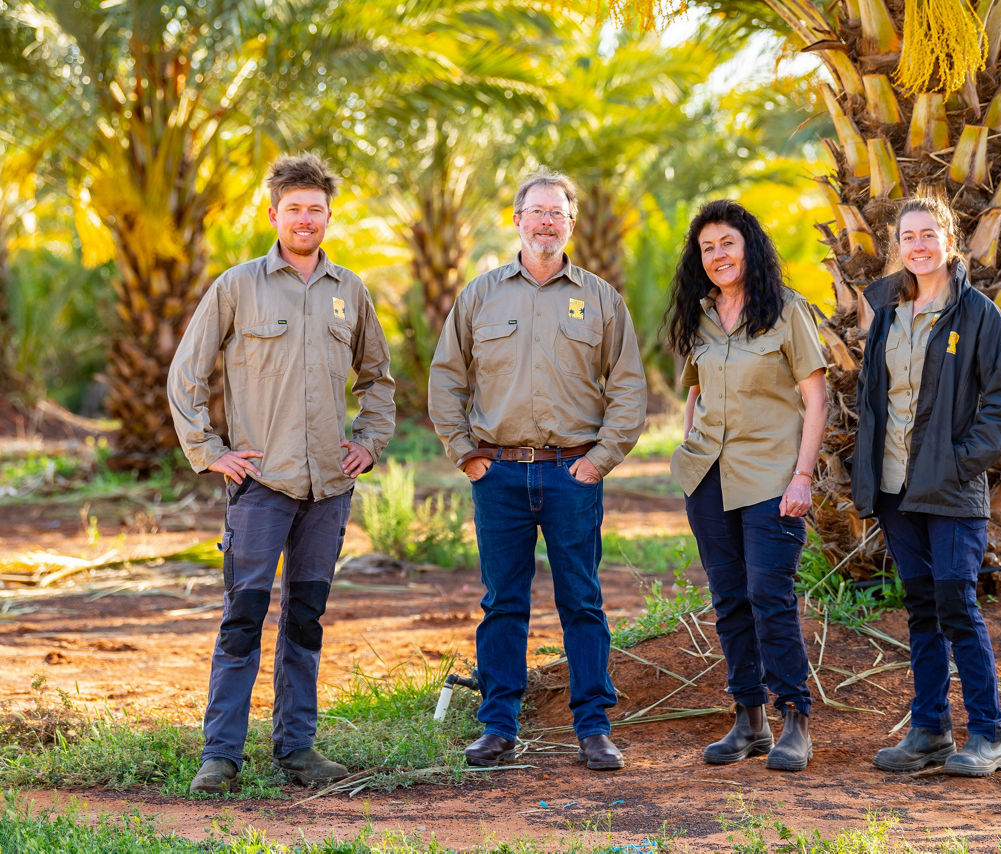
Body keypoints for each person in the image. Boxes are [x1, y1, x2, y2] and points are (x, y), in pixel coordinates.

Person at [168, 153, 395, 794]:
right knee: (242, 618)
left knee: (306, 618)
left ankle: (296, 751)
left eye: (315, 209)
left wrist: (370, 442)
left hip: (328, 487)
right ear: (273, 215)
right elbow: (186, 373)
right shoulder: (237, 286)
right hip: (261, 487)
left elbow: (378, 378)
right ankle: (221, 757)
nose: (305, 219)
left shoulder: (350, 291)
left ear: (328, 217)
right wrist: (210, 450)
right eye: (293, 208)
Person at [428, 169, 646, 771]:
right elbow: (446, 376)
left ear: (571, 225)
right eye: (537, 211)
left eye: (558, 213)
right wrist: (464, 453)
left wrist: (599, 461)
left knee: (582, 600)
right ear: (517, 219)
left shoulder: (601, 299)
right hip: (497, 476)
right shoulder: (481, 294)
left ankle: (593, 728)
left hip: (571, 475)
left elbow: (628, 388)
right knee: (503, 603)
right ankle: (498, 726)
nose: (547, 222)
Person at [847, 196, 1001, 777]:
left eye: (930, 234)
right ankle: (928, 731)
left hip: (951, 489)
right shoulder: (886, 312)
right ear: (896, 246)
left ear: (950, 241)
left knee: (957, 602)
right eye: (908, 236)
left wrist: (958, 461)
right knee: (922, 607)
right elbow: (876, 402)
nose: (919, 245)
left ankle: (989, 735)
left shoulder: (977, 314)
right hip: (896, 488)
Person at [666, 200, 828, 772]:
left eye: (727, 243)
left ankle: (795, 721)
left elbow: (815, 397)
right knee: (730, 599)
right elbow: (693, 390)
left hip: (771, 479)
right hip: (708, 477)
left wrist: (803, 476)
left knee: (769, 595)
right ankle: (748, 719)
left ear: (749, 247)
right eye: (707, 248)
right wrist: (687, 448)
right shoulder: (701, 317)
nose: (717, 256)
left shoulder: (786, 311)